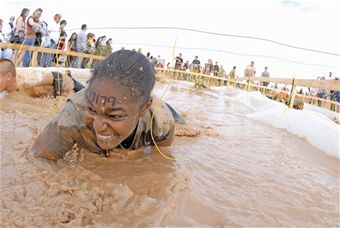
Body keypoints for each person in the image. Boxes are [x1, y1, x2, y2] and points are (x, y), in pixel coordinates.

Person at [31, 50, 184, 160]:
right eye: (92, 109)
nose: (98, 126)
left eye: (115, 116)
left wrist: (134, 157)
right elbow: (38, 159)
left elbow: (161, 156)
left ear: (143, 108)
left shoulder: (161, 122)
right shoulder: (76, 111)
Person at [0, 59, 84, 98]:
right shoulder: (10, 90)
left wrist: (59, 97)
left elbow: (56, 76)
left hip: (75, 90)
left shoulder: (26, 81)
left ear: (8, 76)